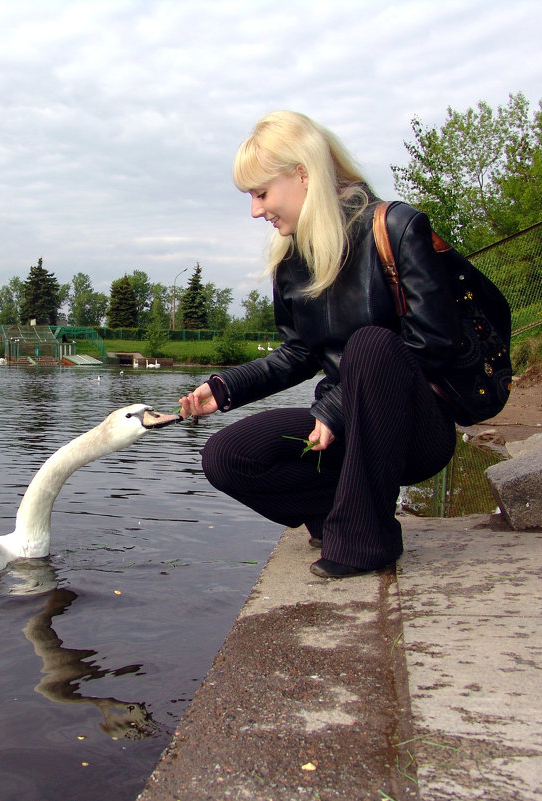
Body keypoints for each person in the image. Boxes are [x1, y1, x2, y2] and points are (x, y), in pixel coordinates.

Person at [178, 110, 459, 579]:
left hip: (415, 431)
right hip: (343, 425)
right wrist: (226, 387)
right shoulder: (292, 258)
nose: (255, 210)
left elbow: (432, 345)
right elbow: (298, 353)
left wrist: (336, 409)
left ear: (303, 174)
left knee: (373, 344)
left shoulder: (397, 228)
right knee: (226, 457)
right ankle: (341, 508)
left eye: (261, 193)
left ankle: (369, 539)